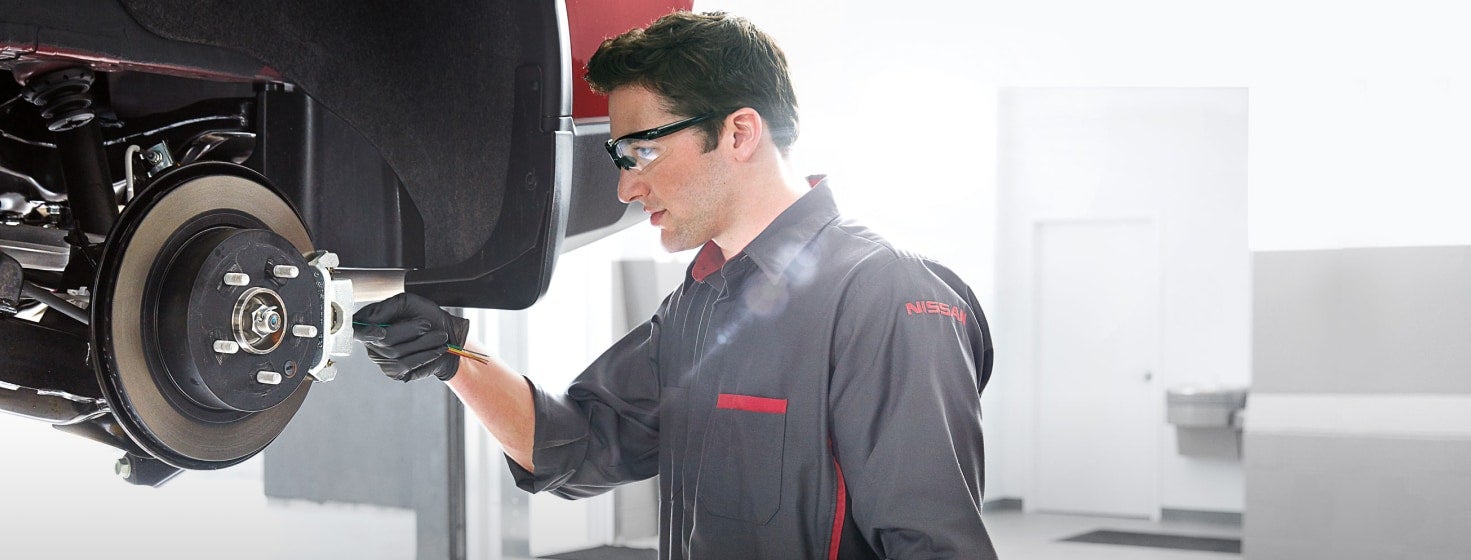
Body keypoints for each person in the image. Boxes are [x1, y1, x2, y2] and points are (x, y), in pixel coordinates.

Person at [354, 11, 996, 560]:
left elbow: (935, 546)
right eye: (619, 159)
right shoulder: (698, 306)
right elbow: (580, 445)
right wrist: (453, 357)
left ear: (739, 132)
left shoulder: (883, 295)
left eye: (642, 152)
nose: (626, 189)